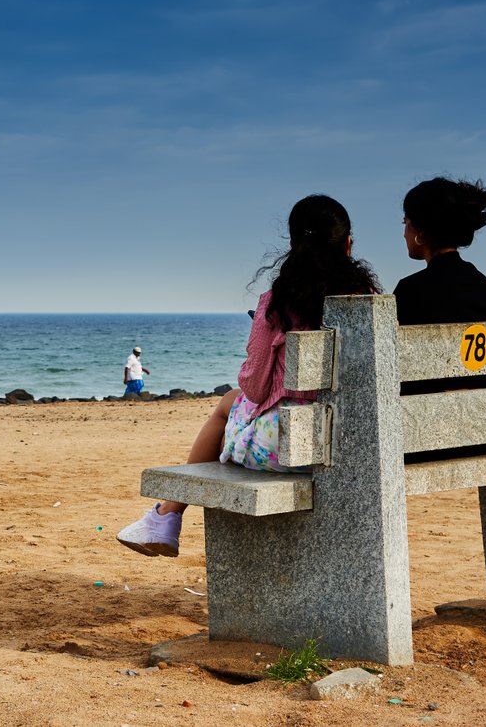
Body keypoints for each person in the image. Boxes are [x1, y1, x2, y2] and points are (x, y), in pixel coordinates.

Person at [117, 194, 378, 557]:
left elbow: (254, 388)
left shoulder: (278, 301)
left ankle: (166, 515)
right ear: (348, 244)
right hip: (356, 443)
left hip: (290, 448)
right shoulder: (369, 299)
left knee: (227, 404)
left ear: (293, 246)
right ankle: (164, 516)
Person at [394, 176, 486, 458]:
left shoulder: (409, 290)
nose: (403, 233)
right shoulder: (481, 284)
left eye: (405, 223)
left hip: (429, 438)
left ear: (421, 233)